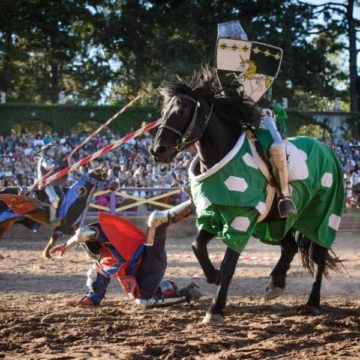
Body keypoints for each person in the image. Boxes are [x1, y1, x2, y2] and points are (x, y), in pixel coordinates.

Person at [49, 200, 201, 308]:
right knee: (143, 300)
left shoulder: (108, 237)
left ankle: (195, 200)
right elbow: (97, 287)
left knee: (156, 220)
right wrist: (91, 300)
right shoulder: (103, 260)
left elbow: (84, 233)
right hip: (146, 276)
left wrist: (66, 246)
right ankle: (173, 288)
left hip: (148, 256)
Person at [216, 20, 296, 218]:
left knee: (277, 147)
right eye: (228, 39)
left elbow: (260, 95)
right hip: (233, 120)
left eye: (235, 39)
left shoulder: (257, 65)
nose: (232, 41)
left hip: (260, 118)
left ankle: (284, 197)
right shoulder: (222, 70)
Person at [37, 143, 67, 226]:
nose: (54, 151)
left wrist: (62, 164)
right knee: (55, 199)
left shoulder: (52, 158)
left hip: (53, 182)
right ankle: (52, 219)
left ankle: (59, 216)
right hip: (45, 183)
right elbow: (48, 167)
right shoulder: (44, 159)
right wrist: (56, 164)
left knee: (63, 197)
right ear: (47, 151)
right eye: (52, 150)